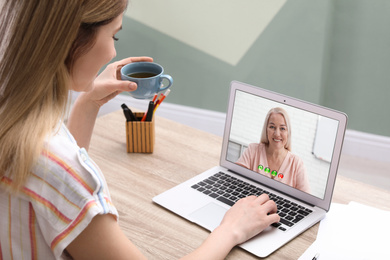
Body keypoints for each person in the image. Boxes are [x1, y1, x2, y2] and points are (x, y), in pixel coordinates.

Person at [0, 1, 280, 259]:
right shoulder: (62, 170)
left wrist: (89, 101)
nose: (113, 52)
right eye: (114, 36)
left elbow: (57, 191)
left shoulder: (13, 120)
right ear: (73, 39)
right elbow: (64, 180)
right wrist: (231, 230)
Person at [236, 107, 311, 193]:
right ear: (266, 129)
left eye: (282, 128)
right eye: (272, 127)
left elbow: (306, 199)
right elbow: (235, 178)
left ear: (288, 132)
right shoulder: (253, 150)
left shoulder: (297, 164)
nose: (277, 134)